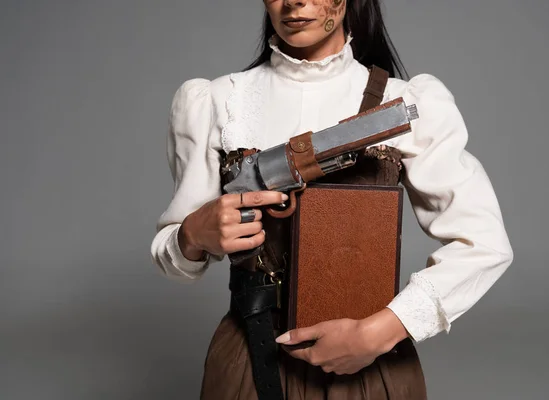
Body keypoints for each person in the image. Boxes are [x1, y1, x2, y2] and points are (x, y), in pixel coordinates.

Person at [150, 0, 514, 399]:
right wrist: (192, 234)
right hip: (251, 357)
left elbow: (485, 245)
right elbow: (176, 262)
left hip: (371, 367)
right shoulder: (217, 102)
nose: (295, 2)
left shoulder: (405, 102)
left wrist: (380, 332)